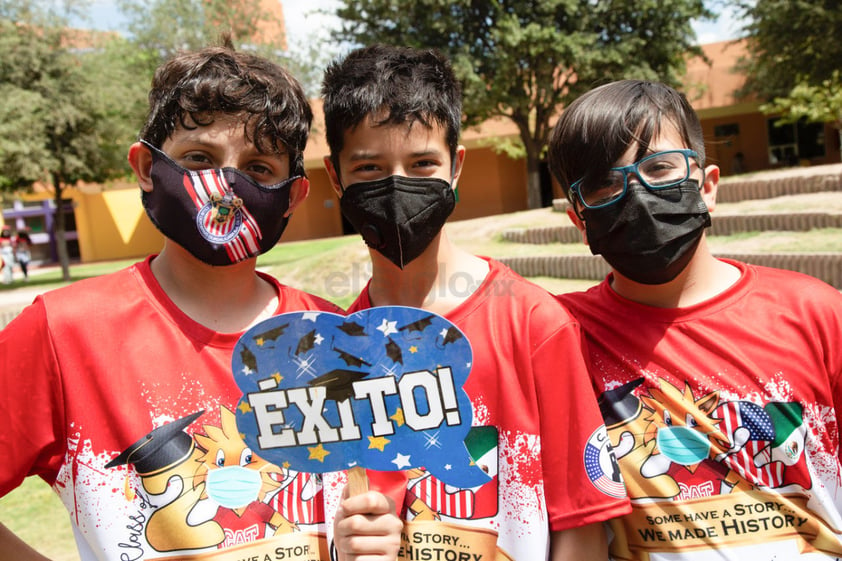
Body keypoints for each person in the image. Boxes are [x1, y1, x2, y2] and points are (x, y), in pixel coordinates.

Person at [0, 42, 400, 561]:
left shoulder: (337, 337)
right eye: (199, 158)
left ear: (292, 198)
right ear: (146, 166)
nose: (225, 187)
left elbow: (374, 506)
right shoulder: (62, 333)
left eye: (258, 169)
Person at [320, 44, 630, 561]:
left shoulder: (534, 322)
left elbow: (582, 523)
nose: (398, 186)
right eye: (370, 168)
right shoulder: (332, 348)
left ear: (456, 166)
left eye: (423, 164)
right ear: (336, 177)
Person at [548, 79, 842, 560]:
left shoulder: (815, 314)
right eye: (604, 184)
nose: (638, 193)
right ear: (580, 220)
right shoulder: (561, 335)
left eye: (661, 169)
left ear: (707, 187)